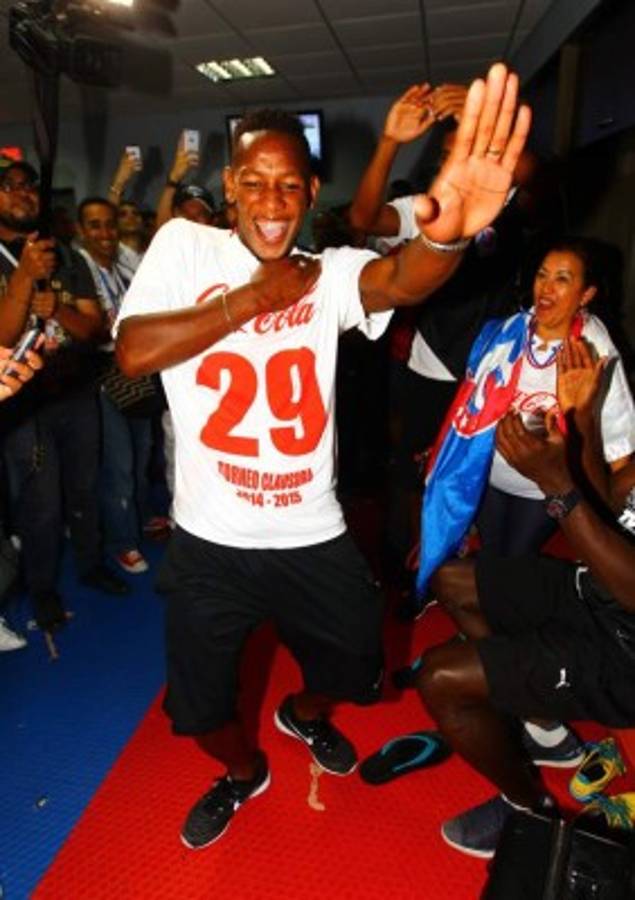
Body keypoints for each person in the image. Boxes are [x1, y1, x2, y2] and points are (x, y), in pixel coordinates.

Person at [115, 63, 531, 850]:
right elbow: (133, 354)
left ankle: (298, 717)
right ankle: (243, 774)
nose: (272, 202)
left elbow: (402, 278)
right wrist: (249, 301)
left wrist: (443, 235)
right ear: (232, 186)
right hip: (210, 541)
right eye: (256, 182)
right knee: (198, 714)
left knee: (354, 675)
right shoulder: (183, 246)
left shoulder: (328, 274)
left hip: (311, 531)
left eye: (289, 185)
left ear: (309, 194)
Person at [416, 337, 635, 857]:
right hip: (592, 591)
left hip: (625, 657)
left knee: (440, 679)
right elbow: (606, 502)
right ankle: (541, 722)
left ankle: (529, 808)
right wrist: (580, 414)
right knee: (453, 581)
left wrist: (557, 486)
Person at [0, 162, 127, 632]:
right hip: (22, 406)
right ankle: (42, 589)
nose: (23, 194)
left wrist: (57, 308)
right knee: (41, 503)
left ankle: (92, 564)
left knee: (85, 486)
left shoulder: (66, 255)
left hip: (75, 392)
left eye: (29, 186)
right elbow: (2, 336)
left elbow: (95, 328)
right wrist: (23, 279)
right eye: (9, 187)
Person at [76, 197, 155, 575]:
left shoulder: (124, 266)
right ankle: (121, 542)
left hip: (134, 368)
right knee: (119, 464)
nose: (105, 232)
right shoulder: (80, 270)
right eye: (95, 225)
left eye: (109, 224)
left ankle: (132, 522)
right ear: (81, 231)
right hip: (101, 376)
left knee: (140, 456)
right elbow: (90, 330)